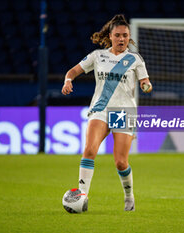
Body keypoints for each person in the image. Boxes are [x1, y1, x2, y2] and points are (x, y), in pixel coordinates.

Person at [61, 14, 152, 211]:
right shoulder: (97, 56)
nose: (122, 39)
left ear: (129, 37)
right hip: (100, 109)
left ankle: (129, 196)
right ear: (110, 36)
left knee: (120, 162)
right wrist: (68, 80)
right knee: (90, 150)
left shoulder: (134, 59)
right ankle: (82, 196)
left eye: (125, 35)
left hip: (123, 111)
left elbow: (144, 81)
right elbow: (73, 71)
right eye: (118, 35)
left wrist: (146, 85)